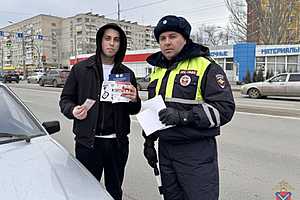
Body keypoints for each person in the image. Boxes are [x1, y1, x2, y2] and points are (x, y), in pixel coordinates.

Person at [143, 15, 235, 200]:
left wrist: (183, 117)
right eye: (162, 38)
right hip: (166, 149)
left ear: (185, 39)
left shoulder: (206, 66)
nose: (167, 42)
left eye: (173, 36)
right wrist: (149, 141)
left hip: (195, 152)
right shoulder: (158, 70)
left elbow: (224, 109)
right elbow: (154, 111)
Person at [59, 23, 141, 200]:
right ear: (100, 41)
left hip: (117, 144)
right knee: (86, 192)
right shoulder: (81, 69)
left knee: (114, 191)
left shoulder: (127, 73)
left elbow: (133, 109)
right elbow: (65, 100)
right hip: (88, 144)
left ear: (121, 44)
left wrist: (135, 99)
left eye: (117, 40)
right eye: (107, 38)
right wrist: (73, 110)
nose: (112, 43)